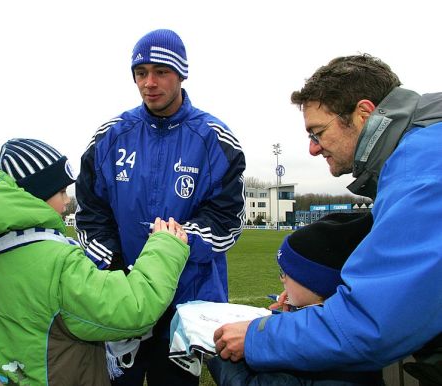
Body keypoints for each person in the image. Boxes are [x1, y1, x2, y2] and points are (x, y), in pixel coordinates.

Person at [213, 54, 442, 382]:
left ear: (363, 114)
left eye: (317, 132)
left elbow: (370, 325)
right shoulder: (424, 142)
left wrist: (258, 336)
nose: (313, 149)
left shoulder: (419, 169)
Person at [75, 28, 246, 386]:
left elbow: (226, 220)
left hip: (187, 304)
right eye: (141, 73)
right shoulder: (109, 137)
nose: (149, 83)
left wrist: (177, 243)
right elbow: (91, 212)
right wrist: (116, 267)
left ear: (181, 73)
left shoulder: (216, 139)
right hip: (124, 299)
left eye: (161, 72)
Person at [0, 138, 190, 386]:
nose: (67, 201)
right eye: (61, 191)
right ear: (35, 195)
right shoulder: (56, 261)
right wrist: (165, 246)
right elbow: (133, 309)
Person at [208, 212, 384, 385]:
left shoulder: (309, 351)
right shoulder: (347, 329)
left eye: (284, 273)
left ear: (315, 283)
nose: (281, 279)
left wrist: (221, 356)